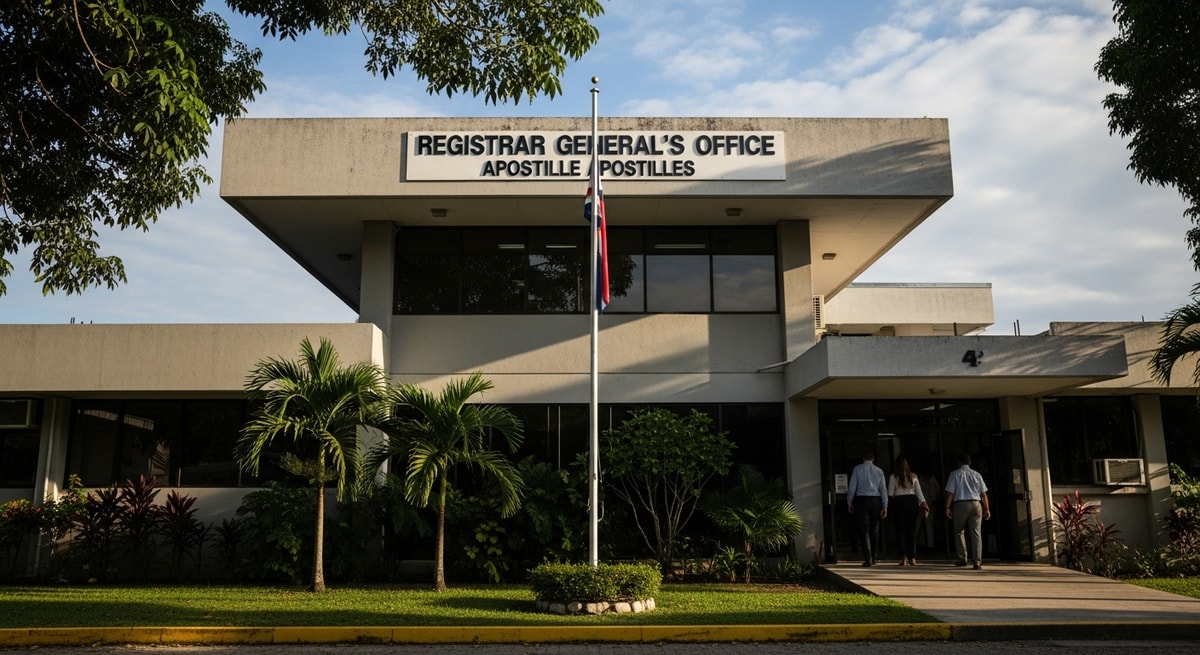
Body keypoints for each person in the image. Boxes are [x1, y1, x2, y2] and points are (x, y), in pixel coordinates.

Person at [943, 453, 990, 570]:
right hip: (976, 503)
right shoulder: (977, 475)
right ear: (970, 463)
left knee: (959, 531)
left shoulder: (954, 474)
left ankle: (963, 557)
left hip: (961, 504)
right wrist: (987, 509)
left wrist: (947, 507)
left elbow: (950, 492)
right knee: (976, 533)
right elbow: (983, 494)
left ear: (959, 462)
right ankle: (977, 561)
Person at [846, 450, 888, 566]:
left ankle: (868, 557)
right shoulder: (879, 471)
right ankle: (875, 556)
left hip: (862, 500)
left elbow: (852, 487)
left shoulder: (857, 469)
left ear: (863, 458)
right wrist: (885, 505)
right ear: (873, 459)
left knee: (864, 530)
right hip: (875, 499)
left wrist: (849, 502)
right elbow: (883, 490)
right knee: (874, 529)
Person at [888, 455, 928, 566]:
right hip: (912, 501)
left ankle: (903, 557)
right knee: (912, 531)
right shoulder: (913, 477)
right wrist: (924, 503)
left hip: (899, 502)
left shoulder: (893, 477)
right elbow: (919, 492)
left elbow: (890, 493)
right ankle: (913, 557)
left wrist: (888, 506)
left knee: (900, 530)